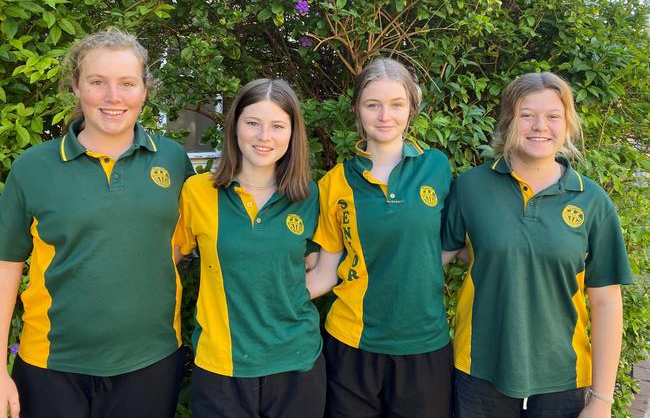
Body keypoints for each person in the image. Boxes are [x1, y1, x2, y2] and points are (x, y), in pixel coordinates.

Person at [0, 29, 194, 418]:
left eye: (127, 83)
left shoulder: (173, 161)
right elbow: (6, 265)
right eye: (97, 82)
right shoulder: (33, 168)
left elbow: (185, 245)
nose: (113, 97)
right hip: (51, 364)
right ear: (76, 86)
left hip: (151, 361)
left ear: (145, 90)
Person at [442, 72, 633, 418]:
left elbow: (606, 302)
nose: (539, 126)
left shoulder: (592, 201)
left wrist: (602, 400)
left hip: (563, 378)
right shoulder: (470, 188)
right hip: (479, 371)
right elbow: (435, 258)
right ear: (509, 122)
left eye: (553, 116)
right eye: (526, 115)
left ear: (568, 125)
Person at [306, 57, 458, 418]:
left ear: (412, 109)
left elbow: (450, 246)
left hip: (425, 342)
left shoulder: (436, 166)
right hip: (352, 342)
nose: (384, 116)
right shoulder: (335, 182)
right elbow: (325, 273)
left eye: (396, 105)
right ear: (358, 110)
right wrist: (267, 301)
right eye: (373, 105)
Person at [174, 78, 325, 418]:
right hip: (220, 365)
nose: (264, 137)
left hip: (296, 362)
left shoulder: (308, 195)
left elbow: (316, 268)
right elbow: (167, 261)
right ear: (234, 126)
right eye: (252, 123)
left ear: (293, 133)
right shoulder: (198, 192)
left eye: (277, 126)